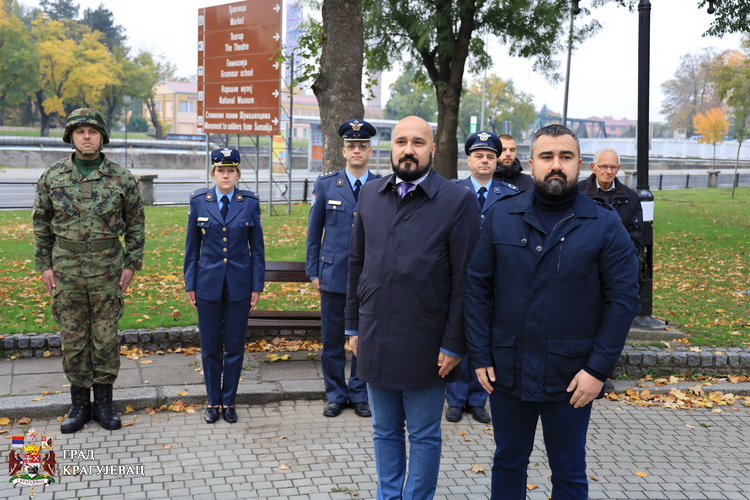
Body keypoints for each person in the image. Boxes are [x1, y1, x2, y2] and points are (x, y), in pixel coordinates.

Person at [464, 124, 640, 499]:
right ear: (532, 163)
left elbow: (624, 299)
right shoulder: (502, 216)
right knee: (508, 461)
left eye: (565, 157)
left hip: (572, 375)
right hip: (507, 369)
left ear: (580, 164)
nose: (556, 164)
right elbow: (477, 286)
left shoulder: (604, 223)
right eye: (547, 157)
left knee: (569, 468)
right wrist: (480, 354)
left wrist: (598, 369)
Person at [345, 116, 480, 499]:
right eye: (401, 141)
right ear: (391, 148)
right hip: (375, 336)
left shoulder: (457, 201)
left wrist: (455, 343)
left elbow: (466, 280)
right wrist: (352, 326)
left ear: (432, 149)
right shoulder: (370, 195)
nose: (408, 149)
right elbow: (357, 263)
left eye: (418, 142)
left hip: (428, 343)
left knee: (423, 434)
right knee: (384, 431)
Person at [32, 108, 146, 434]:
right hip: (66, 271)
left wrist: (132, 264)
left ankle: (105, 404)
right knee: (73, 338)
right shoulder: (53, 177)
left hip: (107, 271)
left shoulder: (121, 178)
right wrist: (44, 265)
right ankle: (80, 404)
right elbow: (41, 224)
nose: (86, 137)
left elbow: (136, 225)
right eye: (80, 131)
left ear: (102, 137)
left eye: (92, 132)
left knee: (105, 338)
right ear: (71, 136)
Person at [183, 148, 265, 425]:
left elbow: (258, 250)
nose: (226, 175)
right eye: (221, 170)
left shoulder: (249, 203)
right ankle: (212, 401)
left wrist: (256, 286)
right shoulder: (199, 201)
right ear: (213, 173)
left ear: (238, 174)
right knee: (209, 347)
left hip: (240, 285)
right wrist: (190, 284)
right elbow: (191, 248)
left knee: (234, 347)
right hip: (207, 284)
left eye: (231, 170)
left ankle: (228, 401)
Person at [305, 119, 380, 418]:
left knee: (365, 337)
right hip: (333, 275)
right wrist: (314, 271)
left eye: (362, 146)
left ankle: (359, 393)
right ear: (344, 151)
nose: (357, 150)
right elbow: (314, 232)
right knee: (333, 339)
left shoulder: (381, 186)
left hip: (369, 276)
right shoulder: (326, 184)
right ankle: (335, 394)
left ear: (370, 151)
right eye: (351, 146)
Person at [446, 131, 518, 424]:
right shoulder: (453, 192)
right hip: (459, 274)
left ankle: (478, 398)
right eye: (479, 156)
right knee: (456, 331)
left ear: (496, 160)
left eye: (490, 156)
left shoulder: (510, 194)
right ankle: (455, 398)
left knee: (484, 336)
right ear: (469, 160)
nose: (485, 161)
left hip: (494, 278)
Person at [578, 148, 645, 253]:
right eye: (604, 166)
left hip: (618, 259)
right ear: (593, 167)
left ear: (618, 169)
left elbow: (635, 237)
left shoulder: (631, 198)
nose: (609, 171)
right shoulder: (577, 193)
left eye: (613, 167)